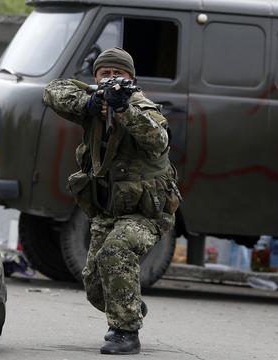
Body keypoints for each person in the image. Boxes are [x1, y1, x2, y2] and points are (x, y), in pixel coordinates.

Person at [42, 47, 180, 355]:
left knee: (115, 253)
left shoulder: (141, 106)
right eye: (105, 73)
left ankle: (126, 333)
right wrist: (90, 102)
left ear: (131, 79)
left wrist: (124, 110)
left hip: (146, 212)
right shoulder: (93, 106)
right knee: (94, 288)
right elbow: (52, 91)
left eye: (118, 74)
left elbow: (159, 140)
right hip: (107, 210)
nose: (111, 78)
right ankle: (128, 304)